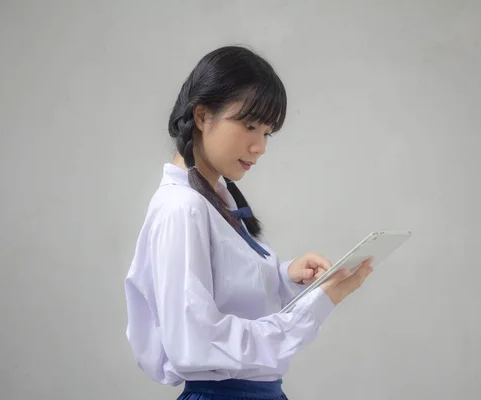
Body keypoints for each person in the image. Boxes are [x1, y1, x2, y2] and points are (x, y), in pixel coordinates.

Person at [124, 45, 373, 400]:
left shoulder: (213, 199)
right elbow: (195, 343)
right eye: (250, 125)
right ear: (202, 115)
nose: (260, 147)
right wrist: (315, 306)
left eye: (268, 132)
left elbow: (224, 293)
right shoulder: (181, 208)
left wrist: (285, 277)